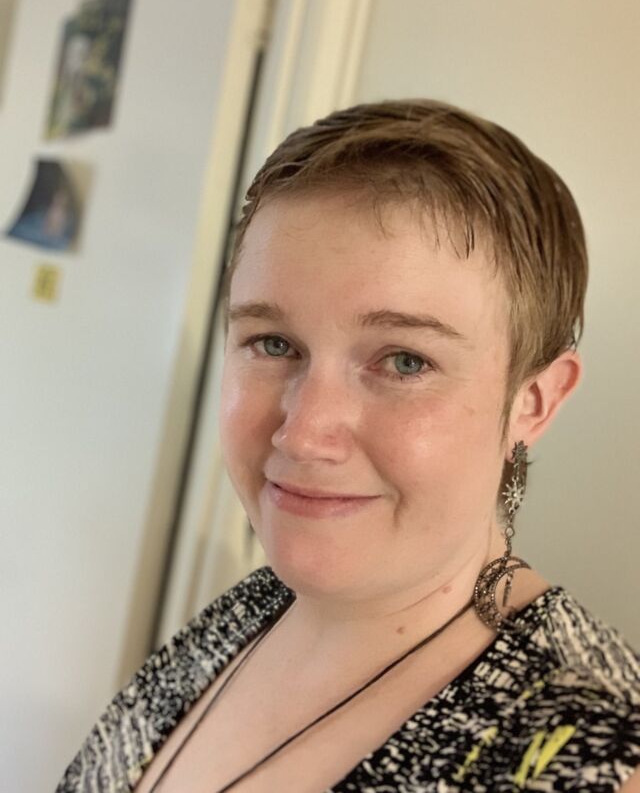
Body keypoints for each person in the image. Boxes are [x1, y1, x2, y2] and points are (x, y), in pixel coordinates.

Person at [57, 100, 640, 792]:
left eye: (404, 361)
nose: (303, 433)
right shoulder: (253, 607)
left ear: (534, 400)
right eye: (273, 343)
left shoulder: (592, 755)